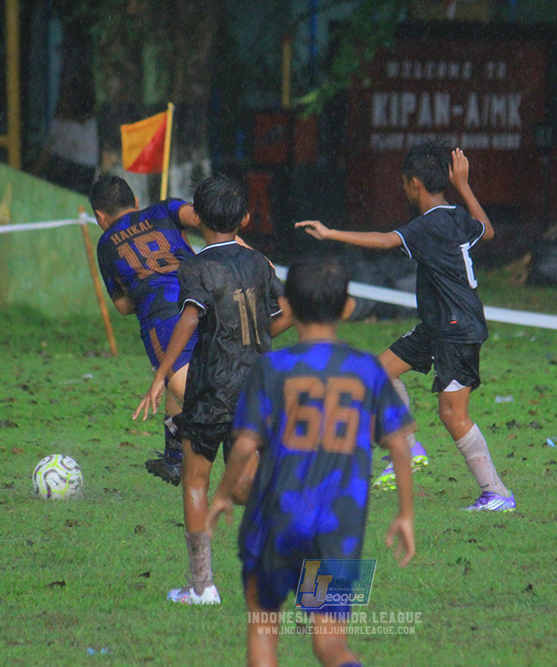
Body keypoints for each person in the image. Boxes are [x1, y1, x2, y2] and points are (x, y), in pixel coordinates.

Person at [207, 255, 416, 666]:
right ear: (348, 308)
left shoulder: (271, 368)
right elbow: (399, 445)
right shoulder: (367, 370)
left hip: (274, 522)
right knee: (330, 643)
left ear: (287, 307)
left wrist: (221, 495)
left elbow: (246, 445)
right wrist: (405, 514)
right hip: (339, 526)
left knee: (264, 627)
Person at [295, 141, 516, 512]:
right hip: (437, 326)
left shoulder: (428, 225)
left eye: (403, 183)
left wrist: (331, 234)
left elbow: (385, 240)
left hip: (456, 329)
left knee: (452, 414)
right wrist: (463, 186)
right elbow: (487, 231)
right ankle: (410, 445)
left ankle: (496, 493)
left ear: (414, 182)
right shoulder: (456, 216)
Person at [133, 172, 291, 605]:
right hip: (257, 386)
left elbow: (188, 320)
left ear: (198, 218)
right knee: (244, 486)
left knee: (196, 480)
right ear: (244, 217)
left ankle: (201, 586)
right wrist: (259, 335)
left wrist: (162, 372)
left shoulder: (197, 267)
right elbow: (289, 309)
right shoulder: (260, 263)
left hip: (212, 387)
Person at [90, 175, 200, 486]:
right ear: (136, 202)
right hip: (204, 299)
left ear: (100, 216)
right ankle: (174, 460)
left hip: (162, 316)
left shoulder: (106, 243)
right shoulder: (163, 211)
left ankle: (262, 455)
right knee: (192, 381)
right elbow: (200, 214)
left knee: (194, 395)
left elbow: (123, 307)